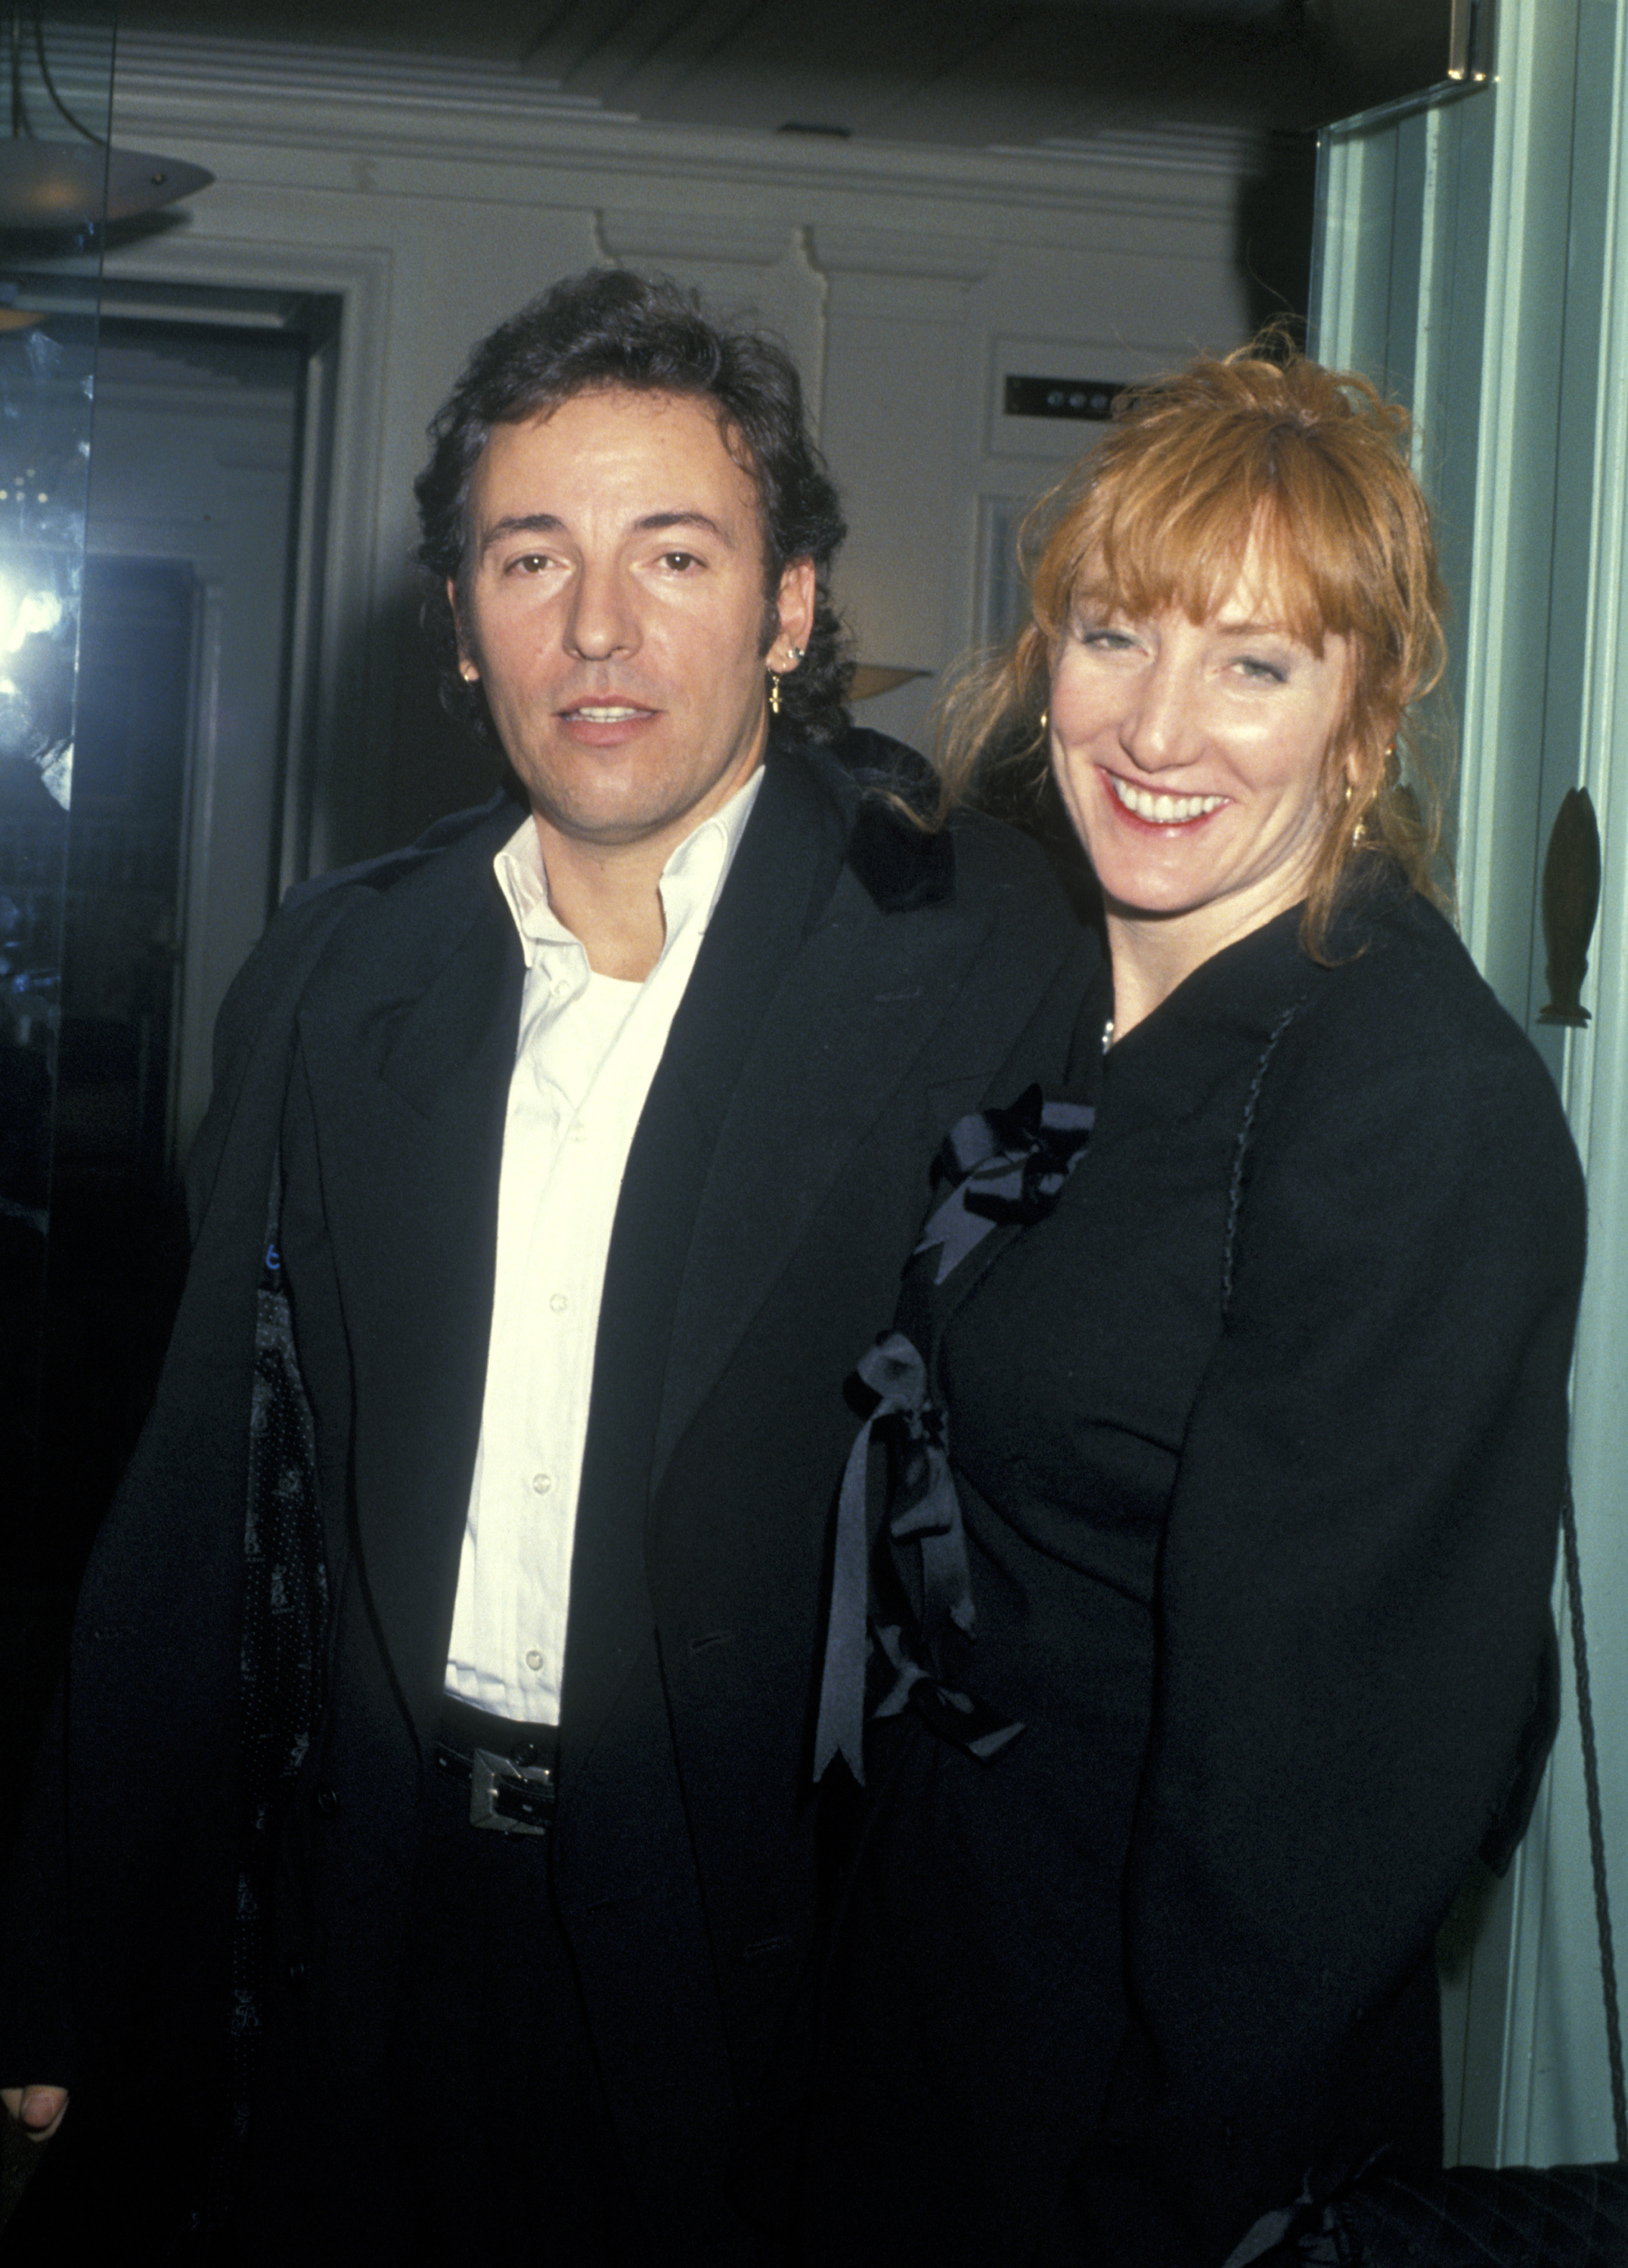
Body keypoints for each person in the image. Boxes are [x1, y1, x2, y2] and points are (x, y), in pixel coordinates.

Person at [0, 268, 1099, 2262]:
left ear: (785, 611)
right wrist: (68, 1941)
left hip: (769, 1965)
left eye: (674, 553)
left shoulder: (983, 959)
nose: (599, 626)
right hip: (365, 1923)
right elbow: (190, 1482)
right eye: (533, 556)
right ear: (457, 623)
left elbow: (1057, 1546)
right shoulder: (336, 972)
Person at [798, 345, 1587, 2267]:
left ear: (1366, 710)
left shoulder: (1399, 1086)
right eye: (1113, 634)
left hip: (1156, 2111)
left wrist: (1173, 2198)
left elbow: (1336, 1794)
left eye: (1256, 663)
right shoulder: (1042, 983)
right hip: (913, 2018)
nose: (1158, 728)